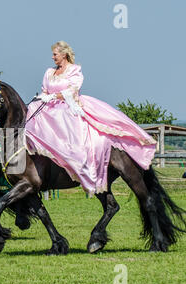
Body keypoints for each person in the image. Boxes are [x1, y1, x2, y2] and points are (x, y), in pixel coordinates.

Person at [25, 41, 157, 195]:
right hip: (49, 107)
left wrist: (55, 95)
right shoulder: (49, 72)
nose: (53, 57)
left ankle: (76, 158)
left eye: (55, 54)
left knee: (69, 123)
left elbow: (73, 90)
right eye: (53, 54)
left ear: (64, 54)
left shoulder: (74, 70)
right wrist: (43, 97)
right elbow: (44, 90)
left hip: (68, 106)